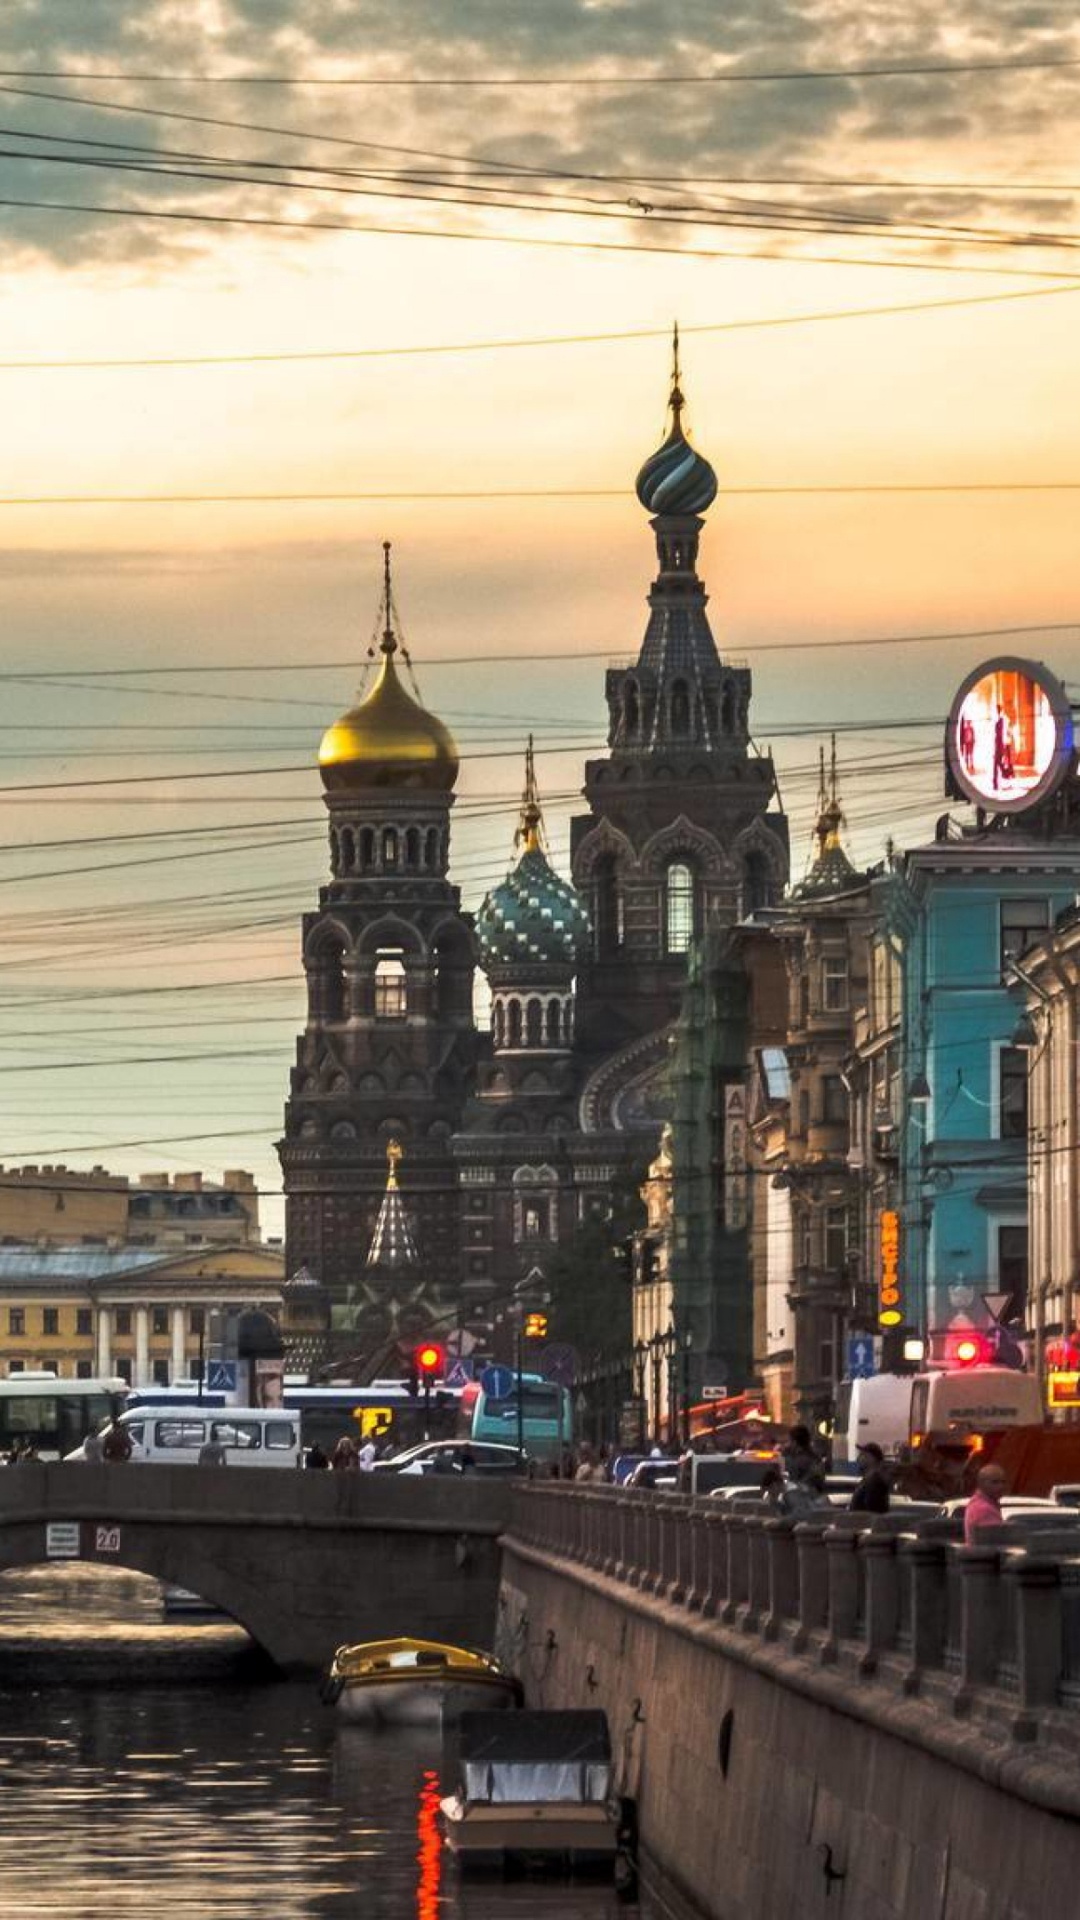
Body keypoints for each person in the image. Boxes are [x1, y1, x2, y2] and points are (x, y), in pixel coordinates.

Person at [964, 1463, 1007, 1543]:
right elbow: (998, 1542)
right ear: (981, 1483)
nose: (1001, 1486)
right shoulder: (983, 1509)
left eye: (1003, 1482)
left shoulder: (982, 1503)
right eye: (995, 1482)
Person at [850, 1442, 890, 1514]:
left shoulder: (875, 1482)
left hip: (866, 1524)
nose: (858, 1458)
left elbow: (872, 1510)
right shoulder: (868, 1480)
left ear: (871, 1458)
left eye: (863, 1455)